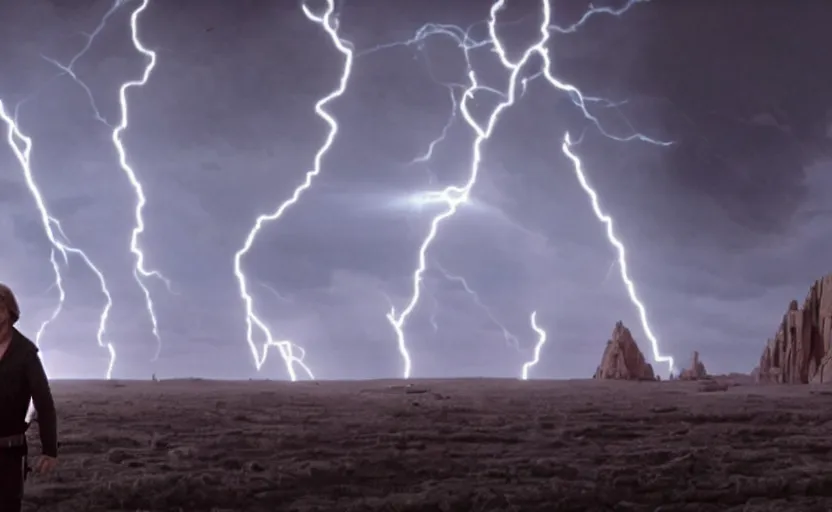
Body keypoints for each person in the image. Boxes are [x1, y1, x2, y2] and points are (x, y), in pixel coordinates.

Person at [0, 284, 58, 512]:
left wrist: (50, 450)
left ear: (10, 313)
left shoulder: (25, 353)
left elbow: (43, 402)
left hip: (8, 454)